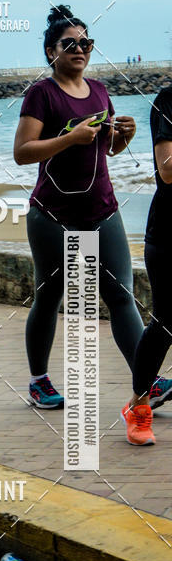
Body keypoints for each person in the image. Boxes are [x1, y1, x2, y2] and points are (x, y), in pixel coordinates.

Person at [13, 4, 170, 409]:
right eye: (70, 44)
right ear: (52, 52)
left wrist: (125, 136)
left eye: (86, 43)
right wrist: (69, 139)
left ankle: (146, 383)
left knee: (121, 297)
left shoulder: (100, 90)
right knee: (49, 297)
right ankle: (38, 381)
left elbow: (108, 150)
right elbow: (23, 152)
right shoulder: (41, 94)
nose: (80, 50)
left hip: (103, 210)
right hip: (52, 215)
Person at [122, 86, 172, 444]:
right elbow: (167, 169)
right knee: (166, 323)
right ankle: (138, 407)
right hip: (169, 235)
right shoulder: (168, 101)